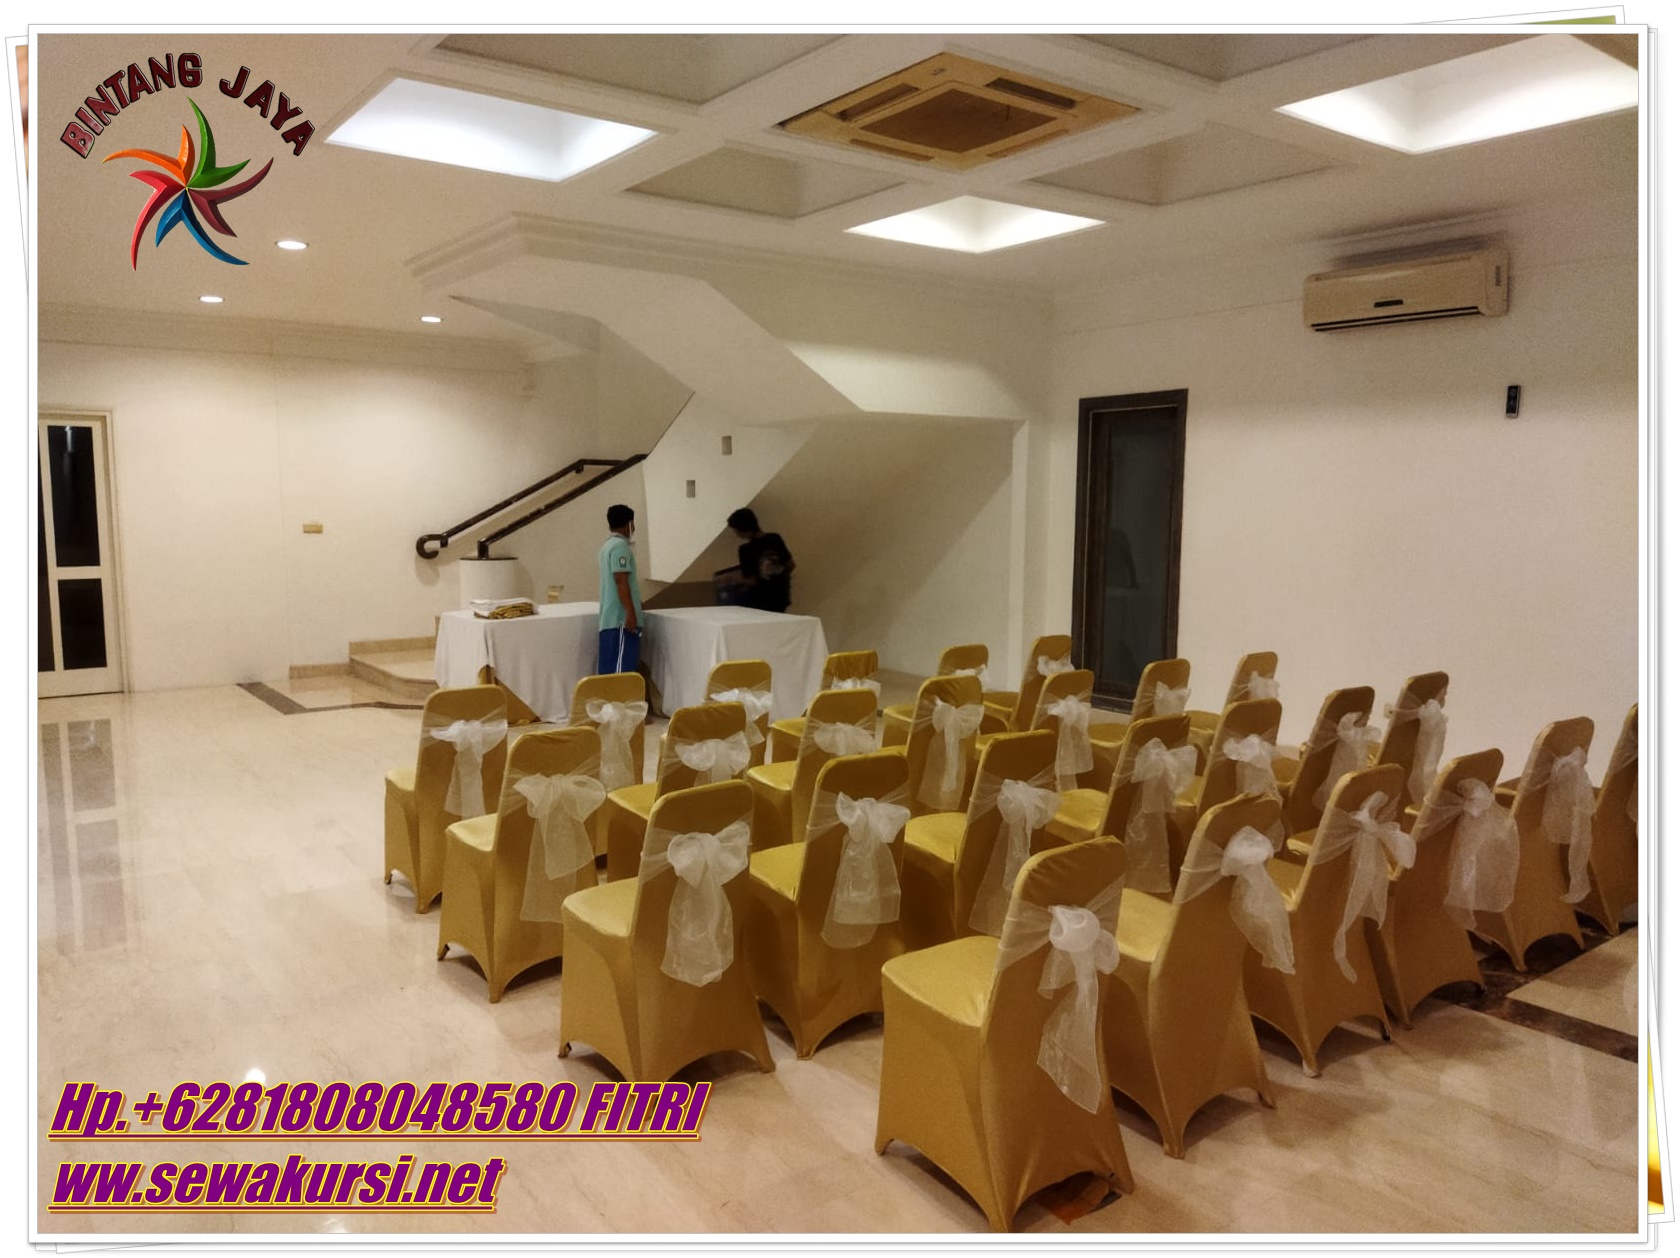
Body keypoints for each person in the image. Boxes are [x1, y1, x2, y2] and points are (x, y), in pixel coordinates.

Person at [597, 504, 643, 674]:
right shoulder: (620, 547)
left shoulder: (606, 547)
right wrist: (630, 612)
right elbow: (620, 580)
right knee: (622, 672)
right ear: (629, 523)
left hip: (609, 621)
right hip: (621, 621)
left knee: (610, 671)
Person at [727, 507, 795, 613]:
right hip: (781, 597)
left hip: (760, 600)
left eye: (737, 531)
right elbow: (791, 565)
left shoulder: (745, 550)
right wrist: (777, 579)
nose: (737, 535)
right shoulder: (775, 539)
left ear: (745, 530)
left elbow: (752, 581)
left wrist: (732, 577)